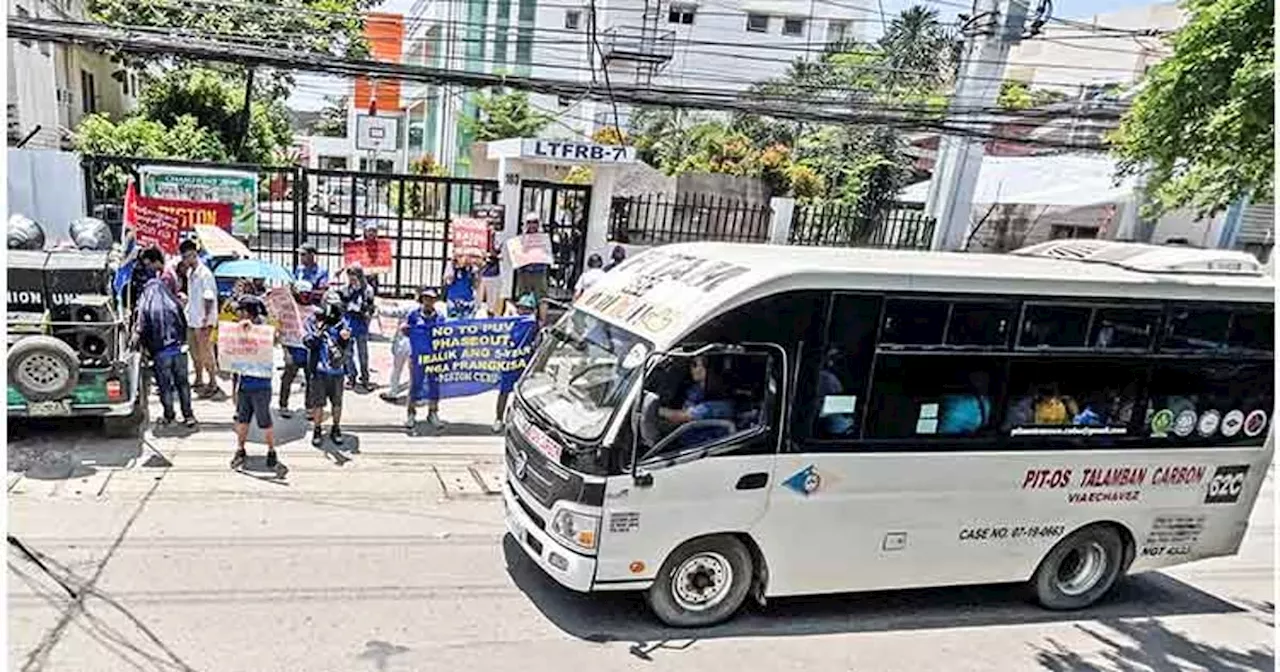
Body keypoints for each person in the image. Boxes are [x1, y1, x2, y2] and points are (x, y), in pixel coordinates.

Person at [131, 259, 197, 429]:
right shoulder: (172, 301)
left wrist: (146, 349)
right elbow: (183, 323)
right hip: (179, 349)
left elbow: (141, 327)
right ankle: (188, 416)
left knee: (165, 386)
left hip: (161, 352)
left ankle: (169, 415)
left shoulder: (146, 302)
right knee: (183, 383)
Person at [229, 295, 278, 470]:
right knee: (242, 419)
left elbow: (273, 340)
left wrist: (252, 331)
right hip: (244, 383)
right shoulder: (238, 329)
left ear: (247, 312)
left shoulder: (264, 329)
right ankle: (240, 449)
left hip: (261, 385)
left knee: (264, 420)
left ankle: (272, 451)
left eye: (240, 310)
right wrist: (234, 387)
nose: (238, 314)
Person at [657, 356, 736, 448]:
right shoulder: (695, 390)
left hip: (702, 450)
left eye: (695, 364)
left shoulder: (721, 405)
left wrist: (655, 409)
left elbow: (681, 416)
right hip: (684, 442)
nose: (691, 368)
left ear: (707, 369)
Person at [306, 290, 352, 447]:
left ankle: (336, 428)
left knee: (337, 402)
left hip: (337, 370)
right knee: (318, 403)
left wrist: (344, 338)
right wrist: (319, 332)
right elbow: (308, 341)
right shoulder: (314, 320)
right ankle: (317, 429)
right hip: (319, 370)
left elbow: (347, 342)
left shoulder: (341, 321)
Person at [179, 239, 221, 398]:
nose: (185, 260)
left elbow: (209, 298)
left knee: (205, 353)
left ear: (193, 255)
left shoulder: (205, 274)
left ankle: (213, 382)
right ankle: (198, 378)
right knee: (194, 351)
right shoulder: (190, 273)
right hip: (192, 317)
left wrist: (205, 319)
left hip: (204, 320)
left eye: (187, 257)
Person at [492, 293, 540, 432]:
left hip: (525, 365)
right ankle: (499, 419)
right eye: (522, 308)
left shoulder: (534, 325)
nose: (524, 311)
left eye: (528, 309)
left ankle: (520, 421)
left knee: (524, 395)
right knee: (504, 392)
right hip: (510, 362)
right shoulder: (510, 323)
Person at [404, 287, 445, 431]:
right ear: (422, 299)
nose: (428, 301)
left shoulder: (440, 317)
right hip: (417, 357)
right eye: (426, 298)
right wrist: (405, 329)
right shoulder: (414, 315)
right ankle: (411, 413)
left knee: (434, 385)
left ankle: (433, 412)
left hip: (434, 357)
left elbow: (444, 335)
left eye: (431, 299)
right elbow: (407, 331)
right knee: (415, 385)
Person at [279, 280, 313, 417]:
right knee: (288, 376)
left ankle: (309, 406)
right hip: (291, 347)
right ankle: (283, 404)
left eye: (307, 294)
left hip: (308, 348)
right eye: (302, 294)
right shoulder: (287, 308)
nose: (305, 297)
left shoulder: (314, 310)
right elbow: (278, 324)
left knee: (311, 379)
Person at [339, 265, 375, 391]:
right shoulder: (345, 289)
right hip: (349, 322)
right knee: (347, 352)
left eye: (354, 277)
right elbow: (342, 305)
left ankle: (365, 378)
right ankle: (351, 376)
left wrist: (364, 313)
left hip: (361, 322)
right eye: (350, 278)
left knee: (363, 353)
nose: (352, 280)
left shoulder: (367, 290)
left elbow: (370, 308)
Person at [379, 293, 419, 402]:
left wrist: (378, 308)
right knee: (414, 371)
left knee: (397, 369)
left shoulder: (410, 307)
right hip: (417, 344)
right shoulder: (428, 311)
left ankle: (393, 392)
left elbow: (392, 313)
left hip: (404, 342)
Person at [511, 212, 550, 308]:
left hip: (539, 271)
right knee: (524, 296)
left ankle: (541, 321)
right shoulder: (521, 238)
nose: (532, 225)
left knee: (541, 297)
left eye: (535, 222)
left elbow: (547, 252)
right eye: (529, 222)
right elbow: (516, 253)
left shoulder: (543, 238)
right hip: (524, 271)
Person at [443, 253, 480, 319]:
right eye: (460, 257)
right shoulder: (451, 266)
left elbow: (476, 284)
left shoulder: (472, 269)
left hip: (468, 300)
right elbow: (448, 281)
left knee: (466, 323)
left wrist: (472, 269)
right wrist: (454, 266)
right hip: (453, 300)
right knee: (453, 321)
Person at [478, 225, 503, 317]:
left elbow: (497, 253)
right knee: (479, 302)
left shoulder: (497, 241)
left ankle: (491, 319)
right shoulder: (478, 241)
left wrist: (491, 241)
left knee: (492, 303)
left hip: (493, 274)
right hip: (480, 273)